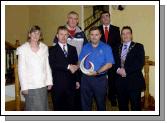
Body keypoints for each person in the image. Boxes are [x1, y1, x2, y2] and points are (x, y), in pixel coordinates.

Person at [53, 11, 88, 110]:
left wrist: (78, 65)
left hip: (78, 68)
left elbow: (85, 50)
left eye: (75, 18)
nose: (73, 20)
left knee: (76, 97)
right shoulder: (61, 31)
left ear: (77, 21)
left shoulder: (81, 33)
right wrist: (68, 66)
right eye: (71, 18)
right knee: (61, 98)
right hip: (63, 70)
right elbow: (56, 54)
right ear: (67, 19)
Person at [16, 25, 53, 111]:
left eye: (38, 33)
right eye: (33, 33)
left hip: (42, 84)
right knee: (32, 109)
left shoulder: (44, 48)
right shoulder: (23, 49)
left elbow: (47, 66)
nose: (36, 35)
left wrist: (49, 81)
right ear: (29, 34)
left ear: (40, 36)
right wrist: (24, 87)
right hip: (30, 85)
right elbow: (21, 69)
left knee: (43, 108)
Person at [79, 26, 115, 111]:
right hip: (85, 79)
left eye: (96, 34)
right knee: (85, 104)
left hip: (100, 80)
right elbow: (80, 61)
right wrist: (78, 66)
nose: (94, 37)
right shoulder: (85, 47)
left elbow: (109, 64)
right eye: (92, 34)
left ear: (100, 35)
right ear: (89, 36)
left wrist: (97, 72)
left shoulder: (106, 47)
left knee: (101, 104)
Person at [115, 26, 146, 111]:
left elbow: (140, 62)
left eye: (127, 33)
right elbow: (114, 61)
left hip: (134, 82)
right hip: (120, 82)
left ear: (131, 35)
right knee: (122, 106)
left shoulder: (138, 46)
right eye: (123, 34)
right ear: (121, 36)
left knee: (135, 106)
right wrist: (118, 70)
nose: (125, 35)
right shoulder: (117, 47)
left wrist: (126, 71)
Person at [49, 26, 79, 111]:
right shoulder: (52, 50)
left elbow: (75, 64)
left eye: (66, 34)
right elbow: (53, 64)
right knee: (59, 107)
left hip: (71, 83)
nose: (63, 37)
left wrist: (77, 80)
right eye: (61, 34)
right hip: (58, 84)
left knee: (71, 107)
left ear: (68, 36)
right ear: (57, 35)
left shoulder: (73, 49)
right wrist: (68, 66)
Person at [98, 11, 121, 106]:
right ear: (101, 19)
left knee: (112, 80)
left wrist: (110, 54)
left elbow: (118, 45)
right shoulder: (97, 29)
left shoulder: (116, 29)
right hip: (100, 59)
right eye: (103, 17)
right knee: (100, 79)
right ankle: (100, 97)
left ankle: (112, 97)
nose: (105, 18)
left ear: (109, 17)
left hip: (112, 59)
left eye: (107, 16)